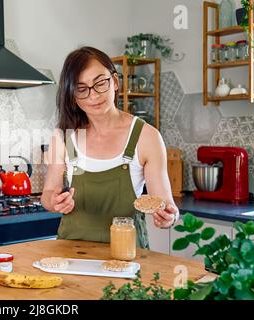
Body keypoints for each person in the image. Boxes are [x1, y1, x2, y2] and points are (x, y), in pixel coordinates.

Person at [41, 46, 179, 248]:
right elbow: (48, 193)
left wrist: (169, 217)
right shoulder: (64, 136)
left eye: (100, 83)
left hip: (127, 260)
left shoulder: (146, 137)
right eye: (81, 89)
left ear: (114, 81)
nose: (93, 95)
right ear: (72, 95)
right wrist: (53, 201)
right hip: (71, 257)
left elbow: (165, 204)